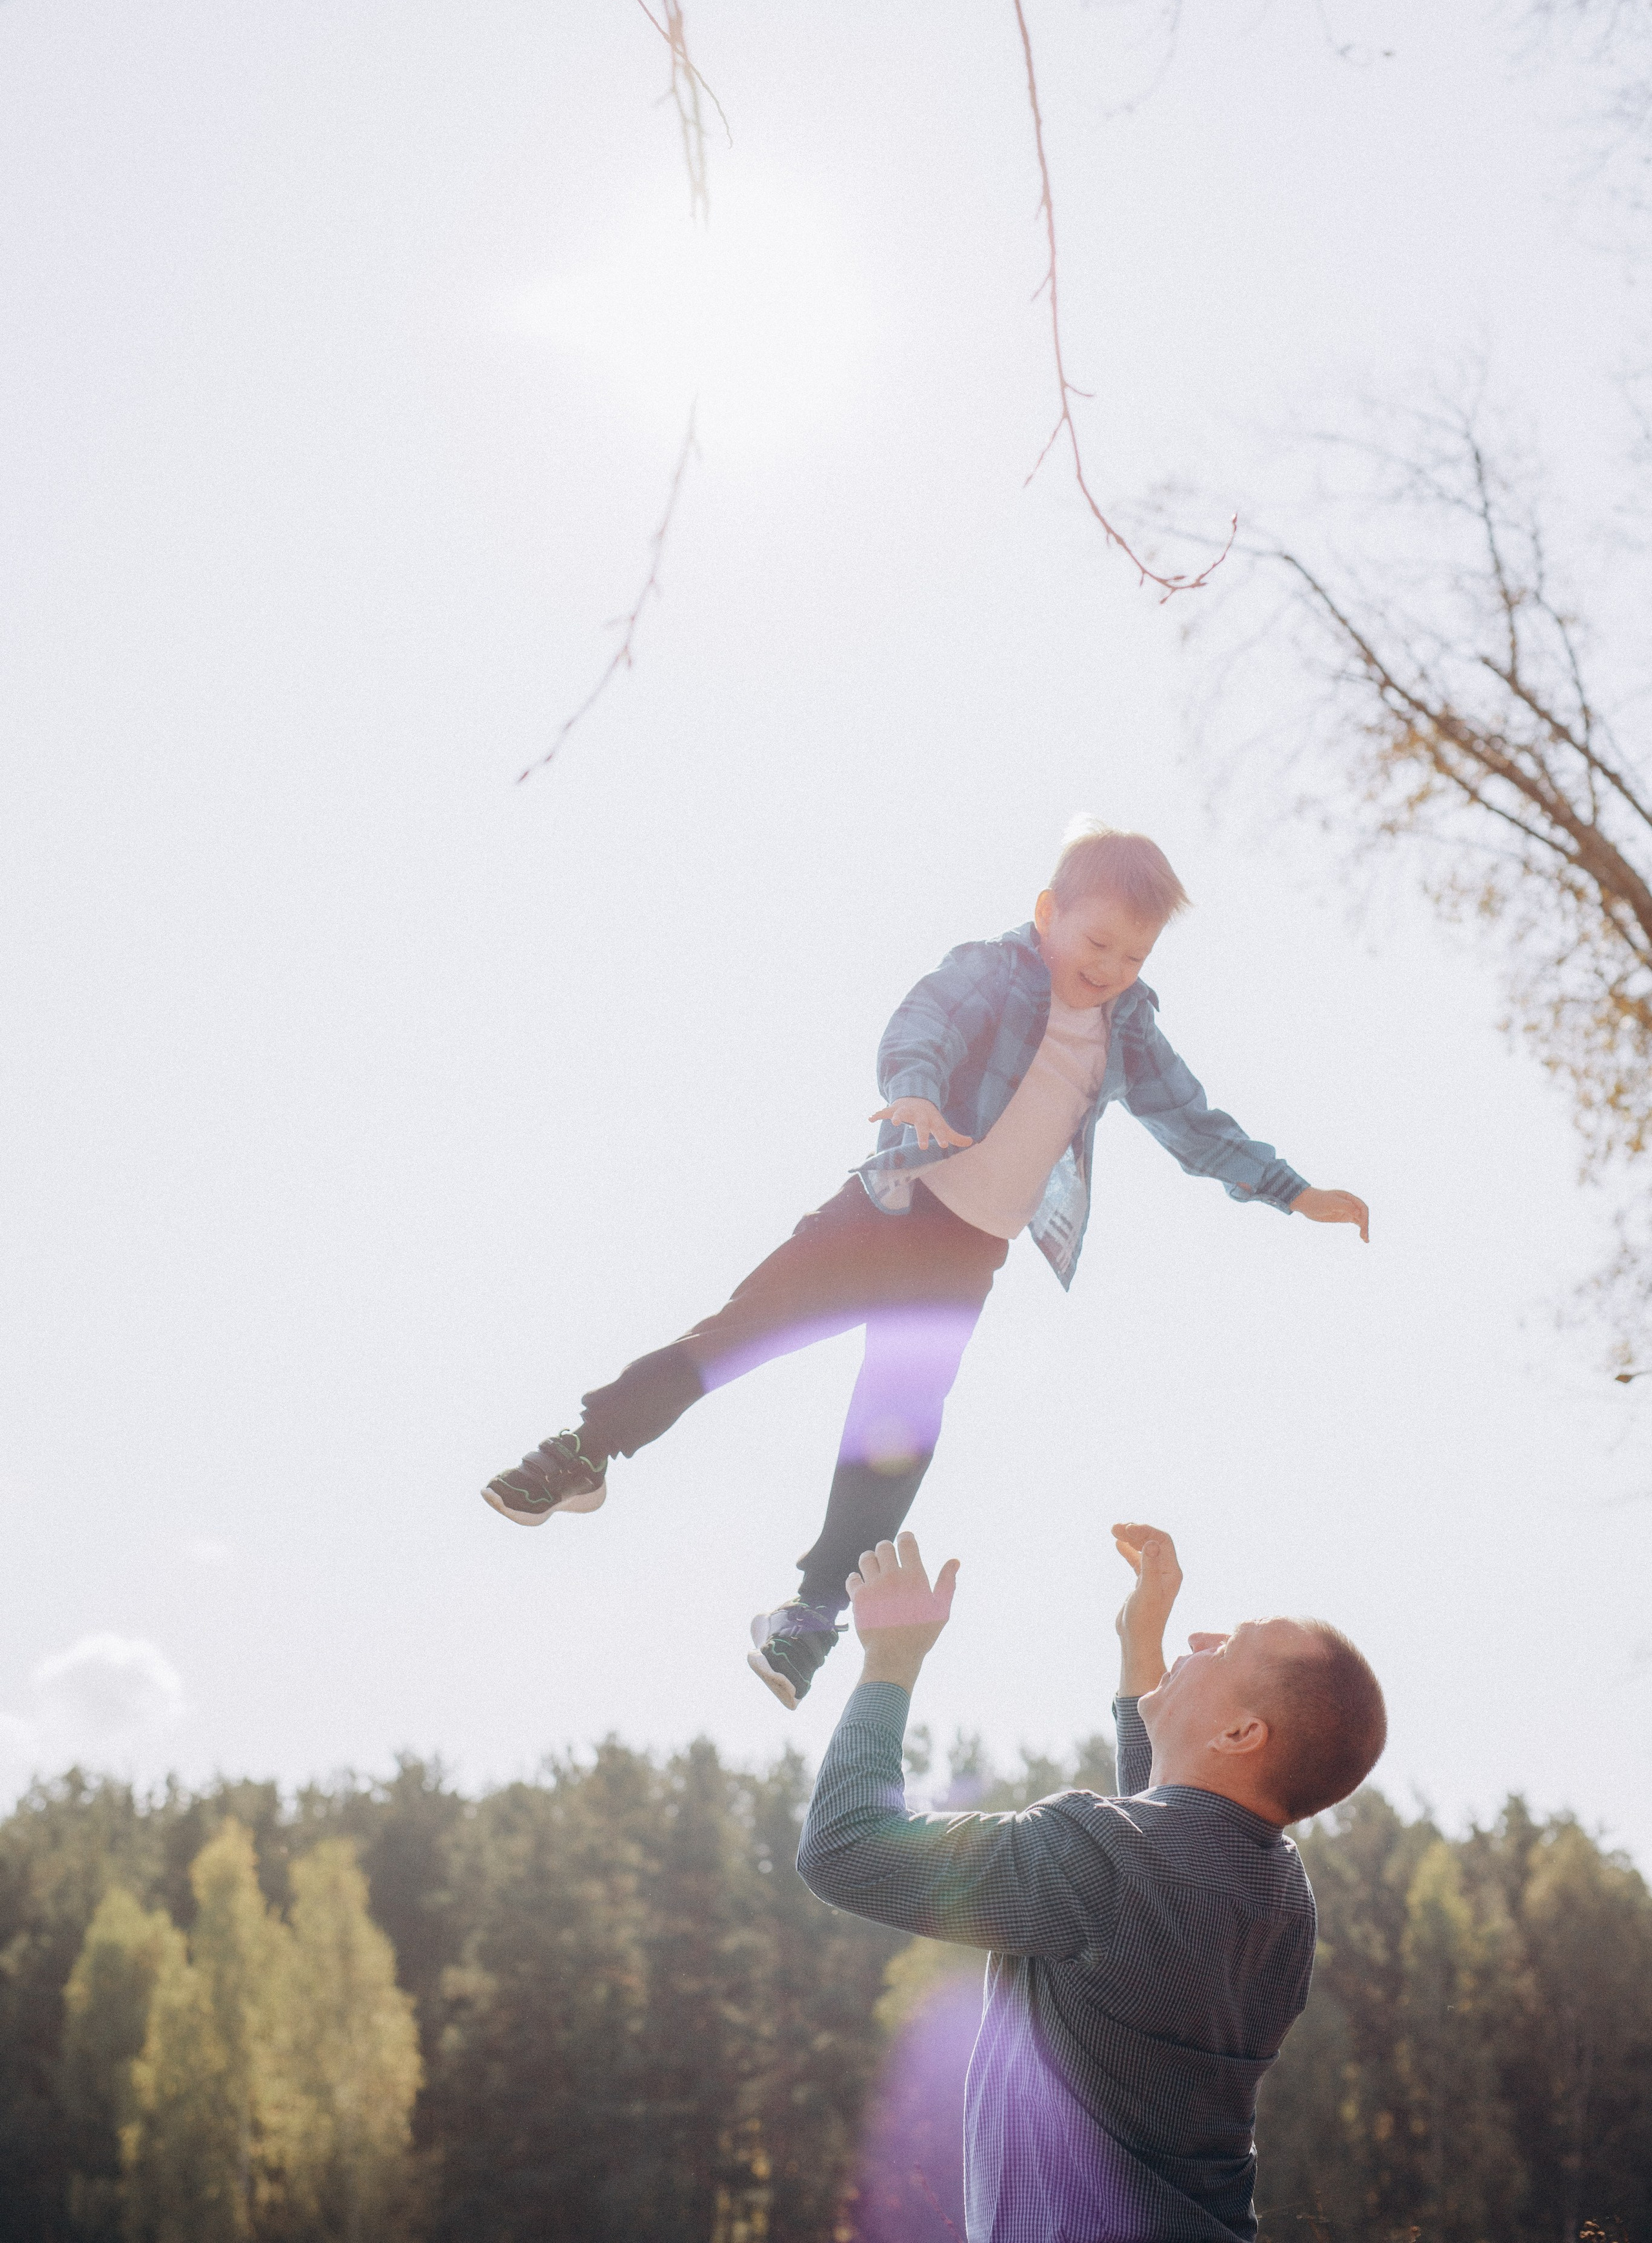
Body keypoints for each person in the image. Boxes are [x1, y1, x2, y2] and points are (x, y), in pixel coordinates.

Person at [481, 820, 1369, 1708]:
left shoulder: (1128, 1033)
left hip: (964, 1259)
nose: (1109, 970)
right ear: (1047, 913)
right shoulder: (994, 968)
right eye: (1098, 943)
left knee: (895, 1434)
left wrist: (1294, 1191)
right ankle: (584, 1450)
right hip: (885, 1213)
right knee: (738, 1336)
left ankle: (810, 1618)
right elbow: (925, 1025)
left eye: (1133, 957)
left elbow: (1195, 1125)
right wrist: (913, 1088)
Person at [797, 1527, 1387, 2243]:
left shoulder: (1105, 1861)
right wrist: (1141, 1641)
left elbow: (844, 1847)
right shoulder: (1283, 1902)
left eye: (1228, 1645)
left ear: (1239, 1735)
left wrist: (891, 1659)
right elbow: (1159, 1838)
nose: (1199, 1638)